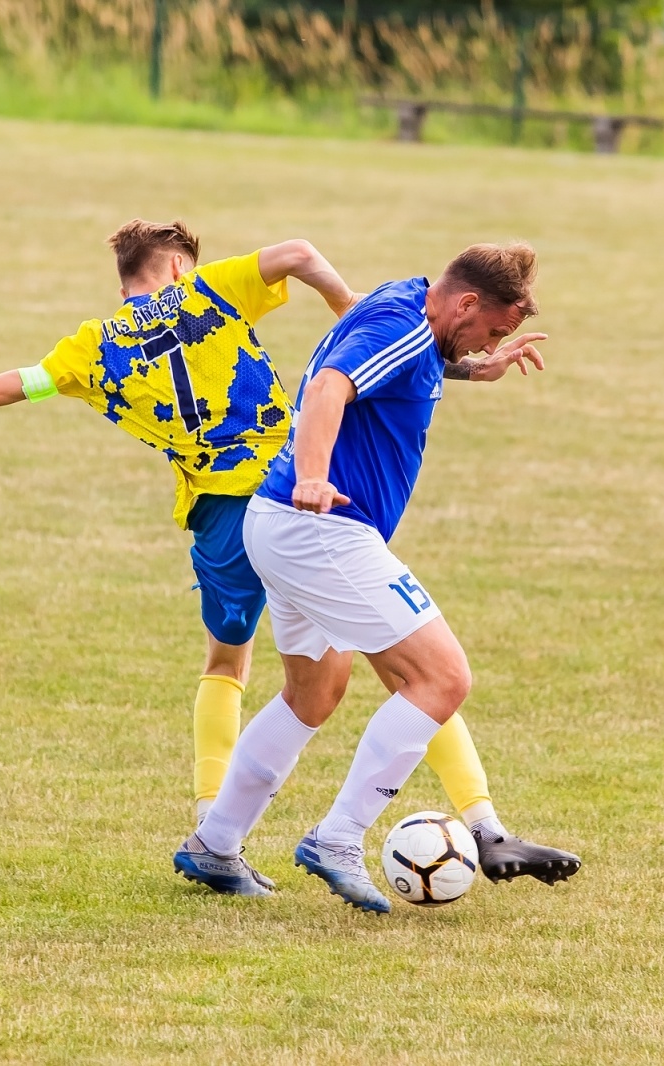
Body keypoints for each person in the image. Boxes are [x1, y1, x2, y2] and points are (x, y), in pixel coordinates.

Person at [0, 221, 578, 883]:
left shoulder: (87, 350)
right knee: (409, 665)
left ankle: (216, 826)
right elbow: (302, 259)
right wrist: (368, 323)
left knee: (245, 671)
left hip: (222, 521)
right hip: (299, 486)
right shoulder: (209, 293)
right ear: (177, 266)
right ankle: (465, 823)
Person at [173, 242, 571, 913]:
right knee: (442, 679)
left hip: (282, 529)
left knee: (314, 694)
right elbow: (332, 385)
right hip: (321, 528)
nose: (492, 339)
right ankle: (337, 839)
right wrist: (313, 475)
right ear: (467, 302)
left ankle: (215, 843)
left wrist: (478, 367)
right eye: (493, 329)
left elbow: (409, 368)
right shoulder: (404, 325)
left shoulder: (405, 303)